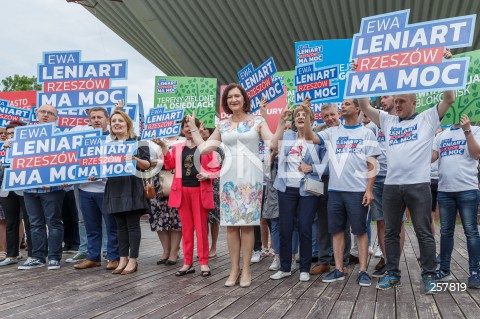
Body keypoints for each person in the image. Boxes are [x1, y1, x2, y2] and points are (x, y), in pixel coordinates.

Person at [357, 48, 455, 294]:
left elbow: (449, 99)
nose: (397, 105)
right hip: (391, 186)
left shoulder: (427, 119)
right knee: (390, 232)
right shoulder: (387, 120)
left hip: (419, 184)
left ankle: (430, 274)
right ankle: (392, 273)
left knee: (424, 231)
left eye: (402, 102)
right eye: (395, 101)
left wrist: (444, 64)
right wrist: (361, 76)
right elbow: (364, 105)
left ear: (414, 102)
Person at [187, 83, 282, 287]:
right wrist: (194, 129)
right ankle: (234, 269)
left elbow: (272, 143)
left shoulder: (257, 121)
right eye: (230, 97)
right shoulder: (222, 125)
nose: (233, 100)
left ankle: (246, 269)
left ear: (244, 98)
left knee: (247, 226)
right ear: (225, 102)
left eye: (237, 96)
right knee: (231, 226)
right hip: (229, 178)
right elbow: (204, 149)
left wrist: (281, 125)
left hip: (250, 178)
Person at [304, 98, 379, 287]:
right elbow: (309, 136)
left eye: (346, 104)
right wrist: (306, 115)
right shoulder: (332, 132)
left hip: (357, 191)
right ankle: (338, 269)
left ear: (356, 108)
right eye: (342, 105)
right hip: (335, 191)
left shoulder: (367, 132)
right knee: (336, 230)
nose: (342, 106)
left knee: (360, 231)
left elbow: (372, 164)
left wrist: (369, 189)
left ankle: (362, 271)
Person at [159, 116, 219, 277]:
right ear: (181, 130)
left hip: (199, 191)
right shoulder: (177, 147)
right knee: (186, 229)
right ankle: (187, 262)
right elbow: (169, 165)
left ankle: (204, 262)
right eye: (185, 126)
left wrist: (207, 175)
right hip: (182, 191)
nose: (187, 128)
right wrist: (164, 147)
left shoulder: (205, 147)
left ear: (198, 128)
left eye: (191, 125)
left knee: (200, 228)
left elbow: (216, 169)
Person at [269, 105, 322, 282]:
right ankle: (285, 267)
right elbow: (273, 146)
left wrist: (312, 167)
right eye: (297, 115)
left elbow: (327, 165)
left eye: (304, 115)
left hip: (307, 189)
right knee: (285, 228)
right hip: (286, 188)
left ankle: (304, 268)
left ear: (311, 120)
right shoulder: (288, 135)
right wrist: (280, 123)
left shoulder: (316, 138)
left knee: (305, 227)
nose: (300, 117)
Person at [11, 105, 67, 270]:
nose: (46, 115)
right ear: (37, 113)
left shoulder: (61, 136)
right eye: (43, 112)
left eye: (50, 113)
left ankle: (55, 257)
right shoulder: (25, 135)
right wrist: (8, 146)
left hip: (52, 188)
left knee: (54, 222)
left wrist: (65, 178)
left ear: (56, 118)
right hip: (30, 188)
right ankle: (38, 257)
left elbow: (68, 159)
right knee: (35, 224)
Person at [432, 114, 480, 289]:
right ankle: (444, 271)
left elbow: (476, 154)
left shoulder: (475, 129)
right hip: (445, 191)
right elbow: (431, 157)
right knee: (445, 232)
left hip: (467, 189)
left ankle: (475, 272)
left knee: (471, 232)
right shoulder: (441, 135)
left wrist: (467, 130)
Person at [103, 110, 151, 275]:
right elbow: (101, 168)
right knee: (120, 227)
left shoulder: (139, 142)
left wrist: (135, 159)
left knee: (132, 225)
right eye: (113, 121)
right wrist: (93, 173)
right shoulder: (107, 145)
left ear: (127, 124)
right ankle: (122, 259)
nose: (116, 123)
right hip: (114, 187)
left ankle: (133, 259)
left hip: (131, 186)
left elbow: (147, 165)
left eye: (120, 121)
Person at [72, 107, 120, 271]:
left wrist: (102, 174)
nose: (96, 119)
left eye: (100, 117)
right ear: (89, 120)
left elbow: (117, 164)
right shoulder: (80, 139)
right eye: (93, 117)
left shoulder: (113, 139)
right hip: (85, 190)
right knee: (91, 226)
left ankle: (113, 257)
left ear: (107, 120)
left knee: (111, 226)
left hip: (106, 190)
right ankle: (93, 257)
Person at [310, 103, 352, 276]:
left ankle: (344, 261)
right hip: (322, 182)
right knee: (322, 222)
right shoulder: (320, 132)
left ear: (339, 114)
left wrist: (311, 168)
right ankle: (324, 261)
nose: (329, 119)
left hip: (343, 181)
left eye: (332, 115)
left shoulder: (348, 131)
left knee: (343, 223)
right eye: (325, 116)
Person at [0, 121, 32, 266]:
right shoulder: (2, 148)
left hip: (24, 187)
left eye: (14, 133)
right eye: (9, 134)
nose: (11, 136)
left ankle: (33, 254)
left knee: (30, 221)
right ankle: (12, 255)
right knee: (10, 222)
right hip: (6, 189)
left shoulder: (30, 147)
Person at [149, 134, 185, 266]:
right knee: (159, 217)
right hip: (156, 182)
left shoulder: (183, 141)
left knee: (176, 217)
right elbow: (146, 161)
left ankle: (174, 251)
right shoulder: (151, 141)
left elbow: (183, 161)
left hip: (176, 180)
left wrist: (160, 162)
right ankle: (166, 251)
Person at [200, 126, 222, 258]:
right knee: (202, 219)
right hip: (199, 183)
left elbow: (221, 166)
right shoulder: (197, 146)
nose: (203, 132)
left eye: (205, 131)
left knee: (213, 219)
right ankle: (204, 246)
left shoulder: (217, 148)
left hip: (214, 184)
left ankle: (213, 246)